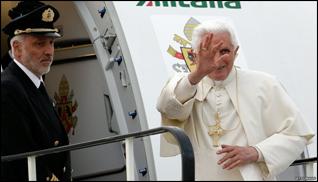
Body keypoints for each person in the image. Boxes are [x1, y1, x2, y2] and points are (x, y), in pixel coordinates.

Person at [156, 20, 315, 180]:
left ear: (236, 51)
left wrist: (256, 152)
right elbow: (168, 108)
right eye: (209, 52)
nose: (217, 60)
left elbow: (296, 133)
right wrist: (198, 74)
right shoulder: (186, 84)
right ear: (195, 54)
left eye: (224, 51)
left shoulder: (264, 84)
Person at [1, 1, 71, 181]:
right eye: (40, 44)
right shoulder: (7, 89)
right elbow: (21, 159)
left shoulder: (34, 83)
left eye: (51, 43)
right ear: (17, 49)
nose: (49, 51)